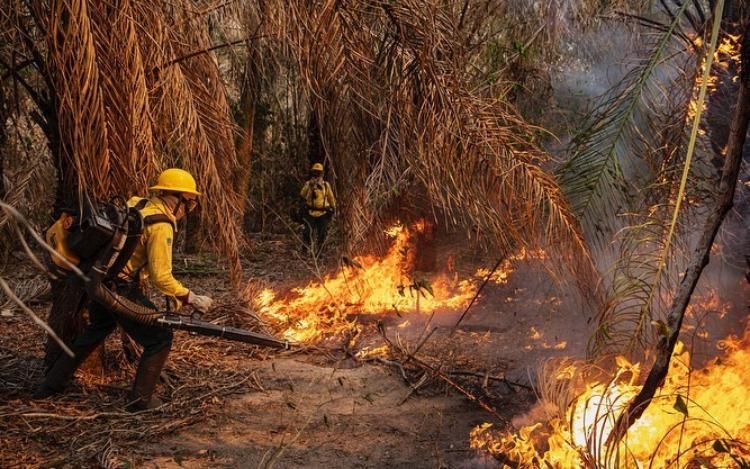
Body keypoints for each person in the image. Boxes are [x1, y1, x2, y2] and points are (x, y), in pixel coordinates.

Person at [34, 168, 214, 411]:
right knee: (160, 338)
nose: (189, 208)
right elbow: (162, 277)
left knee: (95, 331)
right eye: (190, 201)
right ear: (177, 198)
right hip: (120, 289)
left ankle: (50, 385)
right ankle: (141, 400)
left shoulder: (138, 203)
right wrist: (191, 297)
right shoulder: (161, 225)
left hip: (99, 280)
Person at [299, 162, 336, 255]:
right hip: (310, 212)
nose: (317, 174)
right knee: (307, 232)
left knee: (322, 234)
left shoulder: (326, 185)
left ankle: (320, 252)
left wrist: (333, 208)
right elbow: (302, 194)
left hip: (322, 213)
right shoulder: (308, 184)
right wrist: (310, 186)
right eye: (315, 172)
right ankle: (305, 251)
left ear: (322, 173)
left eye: (319, 172)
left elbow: (331, 198)